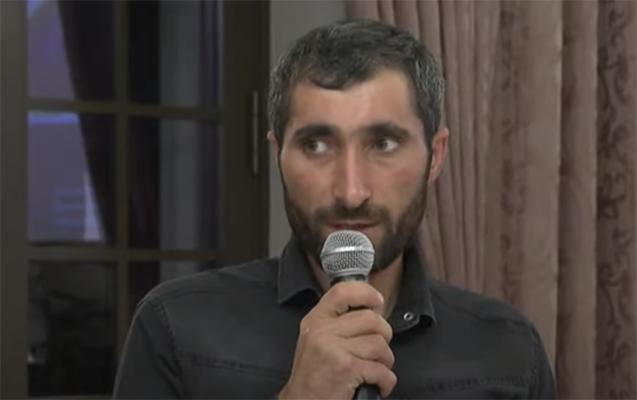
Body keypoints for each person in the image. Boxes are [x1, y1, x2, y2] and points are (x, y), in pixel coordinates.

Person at [113, 19, 555, 399]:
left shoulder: (509, 350)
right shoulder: (176, 328)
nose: (350, 191)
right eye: (317, 145)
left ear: (435, 155)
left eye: (383, 144)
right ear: (277, 154)